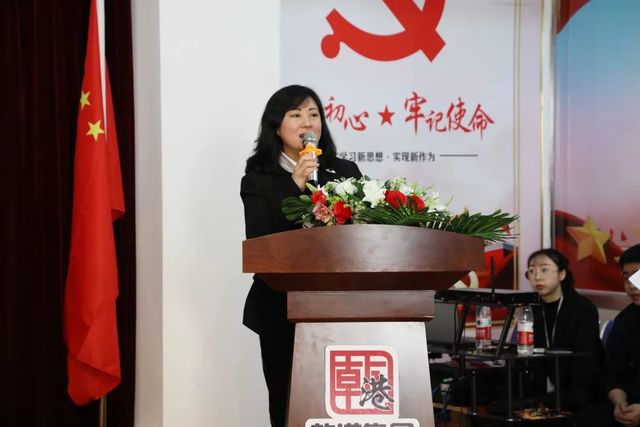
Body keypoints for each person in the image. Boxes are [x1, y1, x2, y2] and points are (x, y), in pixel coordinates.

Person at [240, 84, 362, 426]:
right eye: (295, 114)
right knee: (289, 402)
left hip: (342, 306)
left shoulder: (345, 171)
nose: (307, 122)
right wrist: (293, 184)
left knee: (340, 405)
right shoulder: (259, 179)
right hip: (281, 308)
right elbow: (261, 240)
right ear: (276, 127)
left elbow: (362, 235)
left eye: (313, 114)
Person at [525, 248, 603, 411]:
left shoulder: (582, 308)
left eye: (544, 270)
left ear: (561, 274)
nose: (537, 277)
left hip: (577, 388)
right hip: (539, 389)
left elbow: (585, 361)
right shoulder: (530, 308)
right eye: (531, 271)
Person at [578, 244, 640, 426]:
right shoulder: (625, 320)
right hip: (630, 404)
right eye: (627, 278)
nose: (631, 285)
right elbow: (613, 371)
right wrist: (619, 402)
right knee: (585, 418)